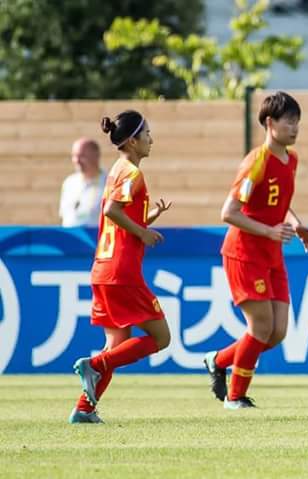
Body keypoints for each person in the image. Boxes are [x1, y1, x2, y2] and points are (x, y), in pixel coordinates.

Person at [202, 92, 308, 409]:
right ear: (270, 123)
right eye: (289, 121)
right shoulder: (256, 162)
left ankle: (218, 360)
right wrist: (269, 230)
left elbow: (280, 202)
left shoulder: (290, 160)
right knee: (261, 328)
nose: (295, 127)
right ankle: (235, 397)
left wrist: (295, 223)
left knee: (277, 332)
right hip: (244, 253)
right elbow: (229, 212)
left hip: (271, 254)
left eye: (298, 121)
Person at [68, 110, 173, 424]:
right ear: (132, 140)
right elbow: (114, 211)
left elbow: (117, 219)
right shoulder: (131, 172)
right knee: (161, 338)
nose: (151, 139)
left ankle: (84, 409)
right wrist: (142, 231)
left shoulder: (115, 170)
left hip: (103, 269)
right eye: (147, 134)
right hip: (121, 272)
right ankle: (95, 364)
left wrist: (149, 217)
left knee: (116, 345)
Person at [59, 138, 107, 227]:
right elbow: (64, 217)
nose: (77, 160)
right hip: (70, 237)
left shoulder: (109, 183)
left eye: (82, 156)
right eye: (74, 156)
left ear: (96, 156)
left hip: (96, 239)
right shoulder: (69, 183)